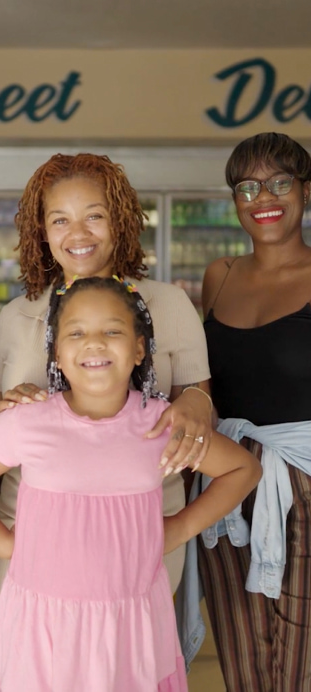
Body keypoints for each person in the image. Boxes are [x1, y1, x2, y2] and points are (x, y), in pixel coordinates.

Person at [0, 276, 261, 691]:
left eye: (112, 331)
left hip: (131, 633)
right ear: (57, 352)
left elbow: (242, 469)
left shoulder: (160, 424)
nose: (94, 343)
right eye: (76, 333)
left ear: (139, 348)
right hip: (45, 632)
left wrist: (181, 527)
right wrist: (1, 541)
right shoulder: (27, 423)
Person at [0, 152, 213, 677]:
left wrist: (196, 400)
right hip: (30, 534)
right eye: (60, 219)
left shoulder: (168, 305)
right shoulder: (17, 316)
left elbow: (201, 406)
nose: (77, 233)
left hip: (140, 533)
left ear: (120, 221)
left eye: (94, 215)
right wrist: (15, 409)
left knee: (124, 668)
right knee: (25, 669)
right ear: (42, 231)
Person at [198, 132, 311, 690]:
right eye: (247, 185)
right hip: (227, 484)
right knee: (241, 656)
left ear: (306, 192)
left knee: (297, 663)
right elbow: (204, 387)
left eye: (280, 182)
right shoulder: (219, 277)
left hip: (305, 484)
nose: (263, 196)